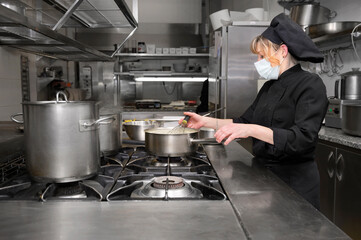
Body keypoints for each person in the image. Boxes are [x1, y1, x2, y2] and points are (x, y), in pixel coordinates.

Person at [180, 13, 328, 209]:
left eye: (261, 55)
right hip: (265, 177)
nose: (257, 62)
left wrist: (251, 130)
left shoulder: (310, 84)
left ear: (282, 51)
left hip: (295, 183)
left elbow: (302, 140)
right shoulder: (269, 87)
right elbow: (243, 121)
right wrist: (204, 122)